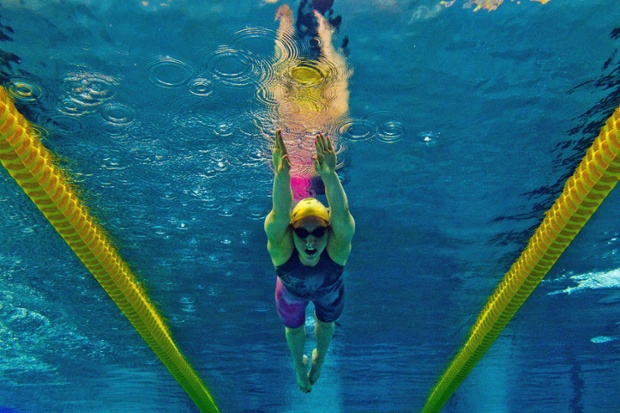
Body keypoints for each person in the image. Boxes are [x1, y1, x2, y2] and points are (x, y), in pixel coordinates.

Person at [264, 130, 355, 393]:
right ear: (291, 232)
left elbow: (342, 213)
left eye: (318, 232)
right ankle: (297, 365)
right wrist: (281, 175)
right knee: (294, 331)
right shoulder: (282, 247)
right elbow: (280, 213)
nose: (311, 242)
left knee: (326, 325)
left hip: (329, 293)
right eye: (302, 232)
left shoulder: (338, 245)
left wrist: (329, 174)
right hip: (292, 294)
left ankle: (320, 360)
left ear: (330, 231)